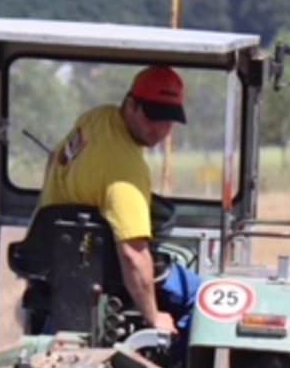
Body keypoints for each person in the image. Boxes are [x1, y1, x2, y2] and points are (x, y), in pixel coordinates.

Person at [37, 65, 200, 335]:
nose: (160, 129)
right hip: (100, 269)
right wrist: (153, 316)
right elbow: (133, 254)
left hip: (56, 260)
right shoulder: (125, 170)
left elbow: (54, 157)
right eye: (154, 117)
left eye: (169, 120)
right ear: (132, 105)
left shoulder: (96, 120)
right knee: (203, 297)